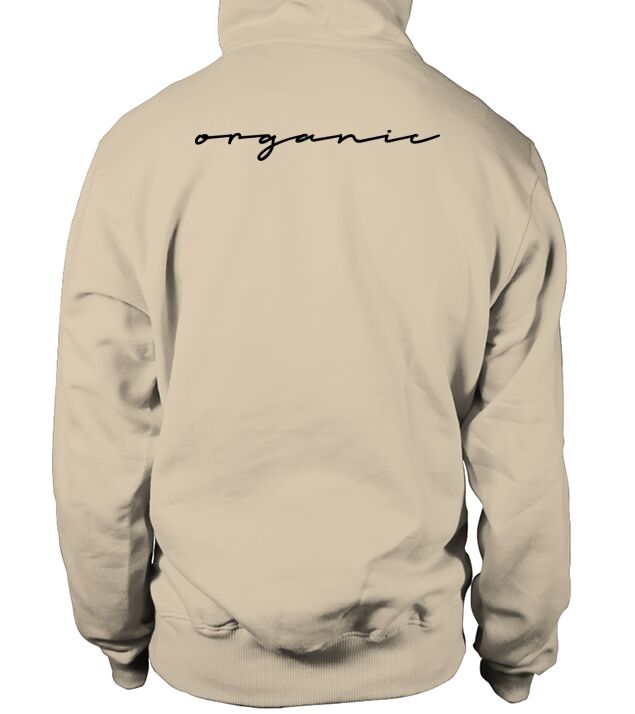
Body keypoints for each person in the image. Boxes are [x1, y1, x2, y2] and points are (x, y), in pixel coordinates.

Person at [52, 0, 571, 706]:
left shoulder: (140, 149)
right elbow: (522, 445)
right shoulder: (494, 154)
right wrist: (516, 647)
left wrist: (115, 629)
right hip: (415, 656)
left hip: (201, 650)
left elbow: (102, 427)